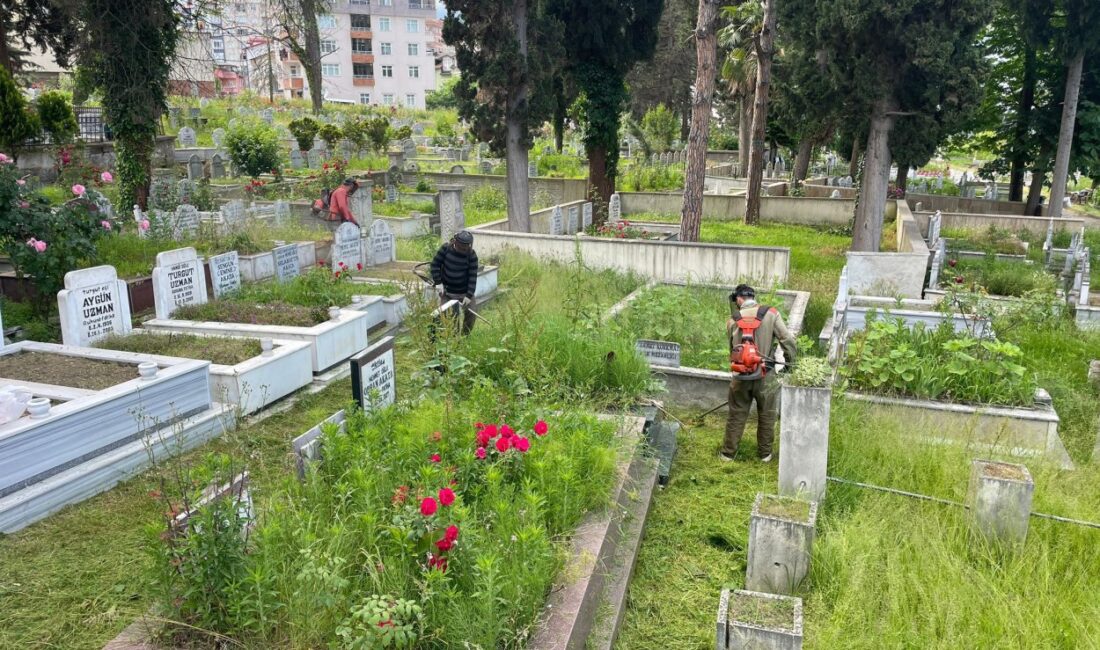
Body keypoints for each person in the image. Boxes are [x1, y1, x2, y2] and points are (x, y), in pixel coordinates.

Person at [721, 284, 797, 463]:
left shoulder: (732, 320)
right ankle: (765, 454)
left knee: (737, 413)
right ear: (752, 297)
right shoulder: (771, 314)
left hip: (741, 377)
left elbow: (733, 351)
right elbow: (787, 340)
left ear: (739, 298)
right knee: (767, 414)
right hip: (766, 375)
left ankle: (727, 454)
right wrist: (789, 364)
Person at [430, 230, 479, 334]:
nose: (463, 250)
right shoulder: (446, 249)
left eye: (466, 247)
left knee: (472, 313)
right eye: (461, 247)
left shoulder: (471, 255)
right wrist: (438, 283)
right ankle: (453, 338)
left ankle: (465, 336)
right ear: (455, 242)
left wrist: (469, 295)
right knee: (448, 317)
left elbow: (473, 276)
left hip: (464, 292)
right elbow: (434, 265)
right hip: (447, 292)